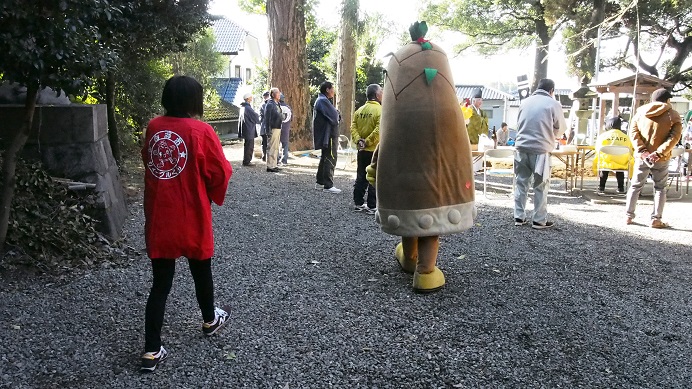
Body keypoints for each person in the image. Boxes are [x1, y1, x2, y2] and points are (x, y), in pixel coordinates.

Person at [140, 76, 233, 372]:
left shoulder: (154, 127)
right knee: (201, 271)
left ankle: (152, 350)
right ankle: (209, 320)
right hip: (192, 212)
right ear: (195, 100)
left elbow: (150, 162)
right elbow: (220, 171)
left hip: (161, 215)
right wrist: (207, 191)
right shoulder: (201, 131)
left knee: (160, 284)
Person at [513, 78, 567, 229]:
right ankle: (539, 219)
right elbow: (561, 128)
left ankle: (519, 216)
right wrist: (552, 133)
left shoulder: (525, 102)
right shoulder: (553, 104)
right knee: (540, 185)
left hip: (521, 148)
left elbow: (518, 124)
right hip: (541, 150)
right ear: (551, 91)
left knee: (521, 182)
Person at [625, 88, 683, 228]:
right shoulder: (673, 115)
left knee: (635, 185)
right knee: (660, 188)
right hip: (661, 158)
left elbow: (633, 133)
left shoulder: (640, 112)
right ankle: (656, 219)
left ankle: (628, 216)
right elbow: (674, 137)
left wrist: (642, 150)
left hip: (642, 156)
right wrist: (658, 153)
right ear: (668, 100)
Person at [350, 83, 382, 214]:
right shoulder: (380, 110)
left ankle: (358, 202)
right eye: (381, 92)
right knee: (374, 177)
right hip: (374, 150)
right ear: (377, 95)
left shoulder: (359, 111)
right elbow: (379, 130)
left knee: (361, 175)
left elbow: (353, 127)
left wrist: (359, 141)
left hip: (361, 149)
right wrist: (368, 141)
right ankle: (372, 205)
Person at [592, 116, 633, 195]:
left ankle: (601, 187)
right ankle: (621, 188)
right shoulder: (626, 137)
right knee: (620, 171)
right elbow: (631, 149)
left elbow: (597, 148)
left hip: (606, 162)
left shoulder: (603, 136)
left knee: (604, 168)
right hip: (622, 162)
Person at [313, 81, 341, 193]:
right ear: (327, 89)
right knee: (331, 156)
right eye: (332, 88)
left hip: (326, 133)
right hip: (328, 134)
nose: (334, 91)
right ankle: (328, 185)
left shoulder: (321, 100)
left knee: (325, 157)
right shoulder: (323, 101)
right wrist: (338, 114)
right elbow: (335, 116)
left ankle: (320, 182)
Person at [264, 87, 283, 173]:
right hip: (273, 128)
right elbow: (267, 118)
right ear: (273, 94)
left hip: (278, 127)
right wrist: (268, 130)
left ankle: (274, 164)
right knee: (272, 146)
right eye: (277, 93)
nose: (279, 94)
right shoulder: (270, 104)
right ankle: (270, 165)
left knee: (276, 147)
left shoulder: (277, 103)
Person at [238, 92, 259, 166]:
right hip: (249, 129)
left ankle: (246, 160)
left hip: (246, 129)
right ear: (248, 99)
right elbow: (255, 116)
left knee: (247, 146)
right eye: (250, 97)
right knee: (249, 146)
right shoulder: (247, 108)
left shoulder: (243, 107)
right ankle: (247, 161)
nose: (251, 98)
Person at [278, 94, 292, 166]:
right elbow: (291, 118)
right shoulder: (288, 108)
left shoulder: (276, 107)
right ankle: (284, 160)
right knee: (285, 145)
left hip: (277, 127)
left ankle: (276, 160)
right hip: (286, 127)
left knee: (276, 144)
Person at [259, 91, 270, 161]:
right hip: (267, 126)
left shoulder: (261, 104)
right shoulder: (267, 104)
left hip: (262, 126)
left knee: (264, 143)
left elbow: (260, 117)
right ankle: (268, 157)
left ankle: (264, 156)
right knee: (268, 143)